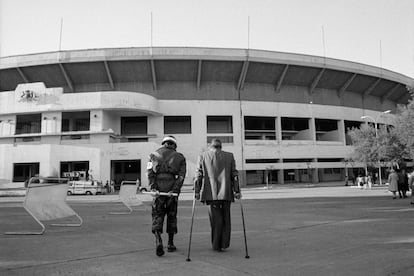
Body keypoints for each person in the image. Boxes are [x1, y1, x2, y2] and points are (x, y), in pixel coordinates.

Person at [194, 138, 242, 252]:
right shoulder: (229, 156)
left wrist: (197, 191)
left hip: (211, 194)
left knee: (216, 220)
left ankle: (216, 245)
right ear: (221, 146)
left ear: (211, 146)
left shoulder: (203, 156)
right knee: (226, 218)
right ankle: (224, 243)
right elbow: (234, 175)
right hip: (226, 193)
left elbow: (198, 175)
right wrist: (237, 190)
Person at [147, 135, 186, 257]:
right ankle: (170, 244)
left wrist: (153, 187)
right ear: (174, 145)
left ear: (163, 143)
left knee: (157, 215)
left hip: (158, 190)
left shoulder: (152, 155)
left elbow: (149, 173)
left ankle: (158, 240)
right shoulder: (179, 157)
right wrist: (175, 190)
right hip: (171, 190)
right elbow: (181, 176)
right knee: (172, 215)